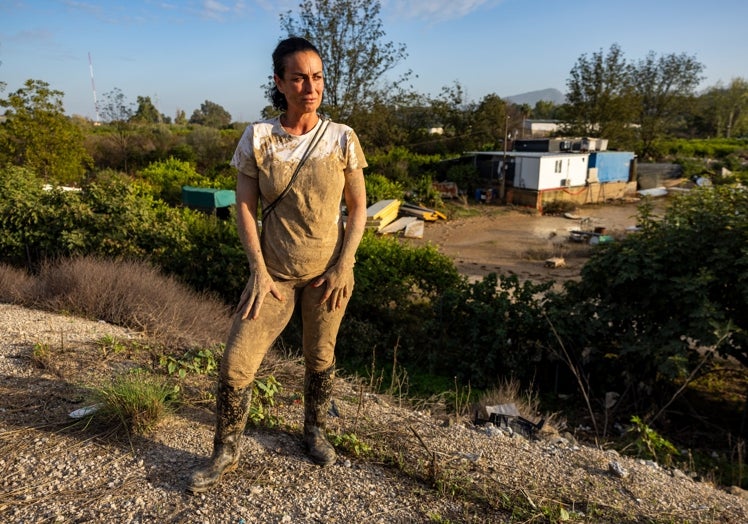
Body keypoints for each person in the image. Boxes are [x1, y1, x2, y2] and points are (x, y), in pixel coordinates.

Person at [188, 36, 368, 494]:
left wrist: (345, 264)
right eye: (299, 78)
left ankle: (314, 432)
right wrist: (258, 270)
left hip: (328, 274)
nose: (311, 87)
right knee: (235, 363)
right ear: (280, 83)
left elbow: (358, 208)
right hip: (275, 277)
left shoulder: (342, 138)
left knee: (319, 357)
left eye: (318, 77)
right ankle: (225, 450)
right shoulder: (260, 138)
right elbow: (244, 208)